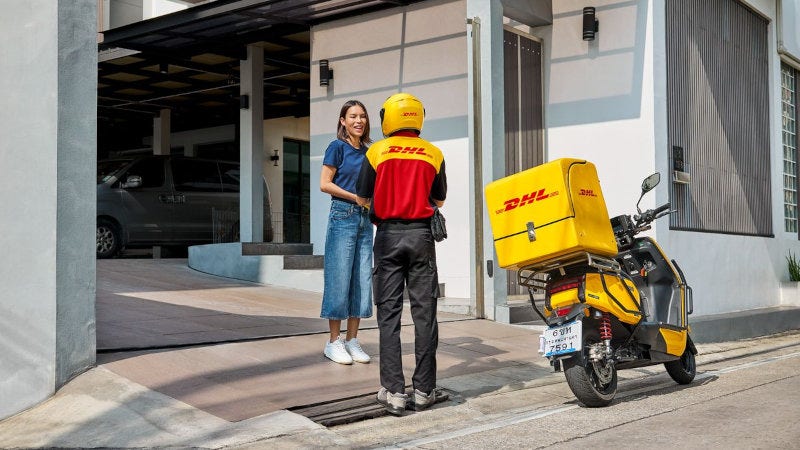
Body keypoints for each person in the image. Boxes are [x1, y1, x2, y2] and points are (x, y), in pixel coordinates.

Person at [355, 93, 447, 415]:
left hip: (389, 237)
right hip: (422, 237)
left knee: (389, 317)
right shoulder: (433, 153)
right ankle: (424, 390)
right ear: (417, 116)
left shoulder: (377, 151)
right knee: (425, 316)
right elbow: (439, 199)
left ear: (388, 118)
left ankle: (394, 391)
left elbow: (362, 196)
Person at [319, 100, 374, 365]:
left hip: (365, 219)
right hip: (342, 215)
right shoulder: (336, 147)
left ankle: (352, 339)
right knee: (339, 278)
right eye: (352, 116)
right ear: (343, 121)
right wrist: (356, 197)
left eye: (362, 116)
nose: (358, 121)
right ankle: (333, 342)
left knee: (362, 280)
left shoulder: (370, 152)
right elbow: (324, 184)